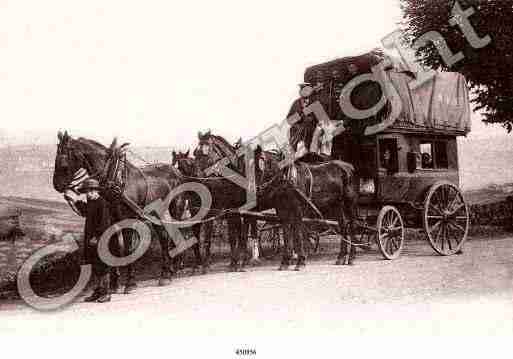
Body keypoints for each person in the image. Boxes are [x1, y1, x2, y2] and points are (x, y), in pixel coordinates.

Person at [65, 178, 114, 303]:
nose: (88, 193)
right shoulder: (91, 203)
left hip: (100, 239)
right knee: (95, 265)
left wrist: (97, 238)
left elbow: (104, 223)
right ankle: (98, 292)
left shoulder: (102, 203)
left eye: (91, 191)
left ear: (97, 191)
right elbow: (84, 211)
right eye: (87, 191)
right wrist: (74, 201)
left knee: (103, 265)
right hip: (91, 240)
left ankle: (106, 293)